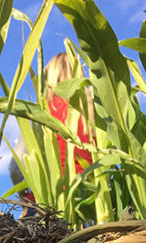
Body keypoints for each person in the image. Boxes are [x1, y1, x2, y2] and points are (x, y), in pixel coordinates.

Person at [10, 52, 93, 203]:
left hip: (47, 202)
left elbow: (16, 167)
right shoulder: (94, 115)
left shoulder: (42, 113)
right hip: (89, 201)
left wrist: (24, 194)